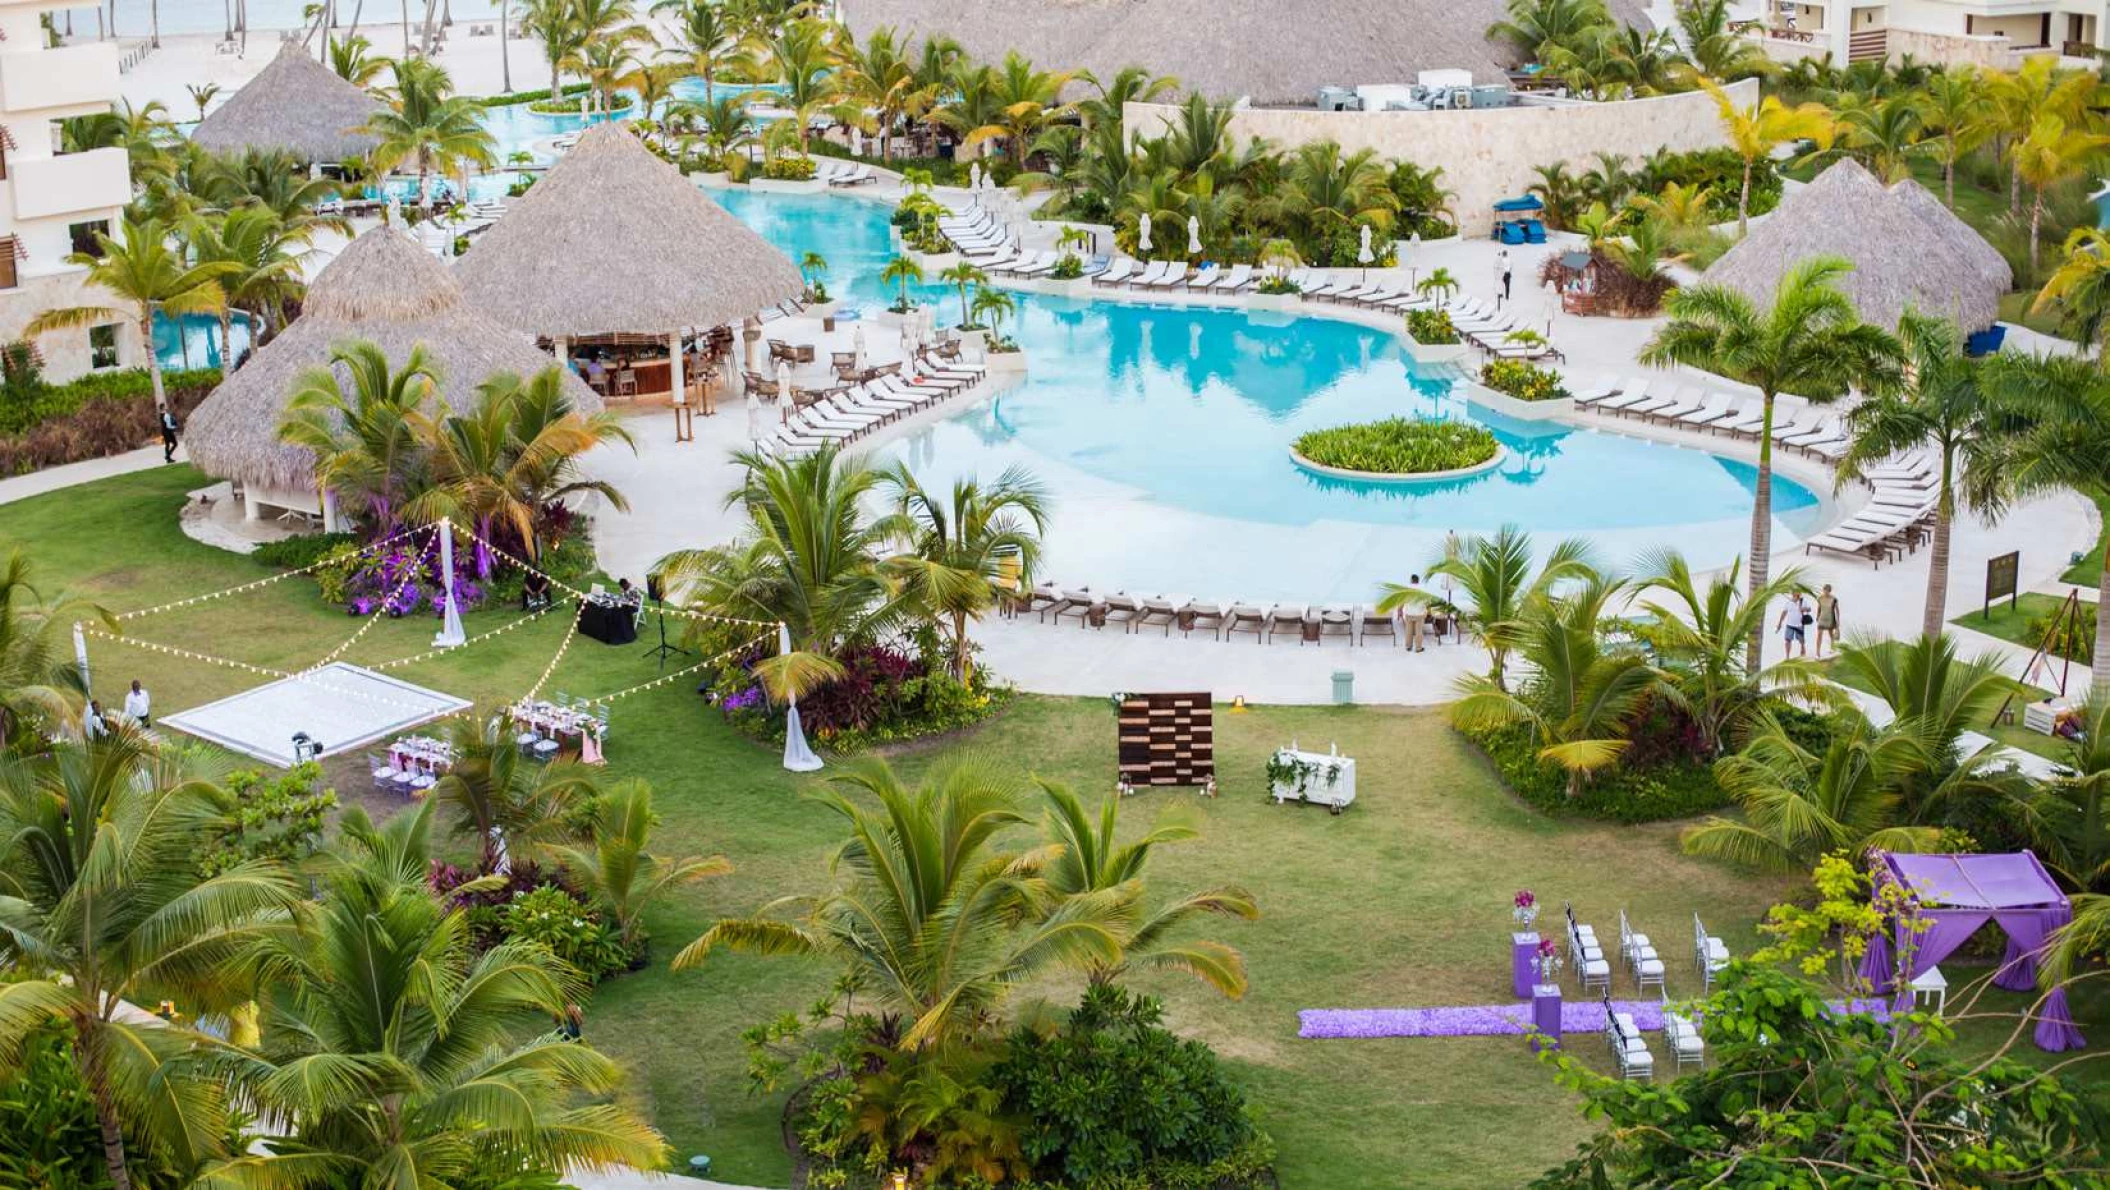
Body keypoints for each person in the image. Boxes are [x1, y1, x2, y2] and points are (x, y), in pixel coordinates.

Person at [1775, 591, 1811, 659]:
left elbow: (1809, 609)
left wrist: (1804, 609)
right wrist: (1779, 623)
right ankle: (1787, 656)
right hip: (1789, 625)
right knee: (1787, 640)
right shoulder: (1788, 602)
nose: (1796, 595)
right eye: (1794, 594)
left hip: (1799, 625)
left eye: (1798, 594)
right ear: (1792, 594)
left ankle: (1803, 649)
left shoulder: (1802, 602)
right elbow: (1784, 613)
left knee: (1801, 641)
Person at [1812, 584, 1841, 657]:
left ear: (1829, 591)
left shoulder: (1834, 599)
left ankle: (1832, 647)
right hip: (1821, 619)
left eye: (1827, 591)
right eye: (1824, 590)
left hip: (1830, 619)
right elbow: (1819, 608)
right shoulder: (1820, 598)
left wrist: (1838, 621)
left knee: (1830, 633)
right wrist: (1817, 616)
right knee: (1819, 635)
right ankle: (1818, 653)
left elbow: (1837, 610)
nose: (1825, 592)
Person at [1404, 577, 1425, 652]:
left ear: (1411, 580)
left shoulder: (1406, 588)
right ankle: (1418, 648)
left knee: (1408, 630)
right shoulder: (1422, 588)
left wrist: (1399, 610)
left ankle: (1408, 646)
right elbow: (1426, 601)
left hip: (1409, 613)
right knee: (1418, 631)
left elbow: (1402, 600)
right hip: (1419, 613)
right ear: (1418, 581)